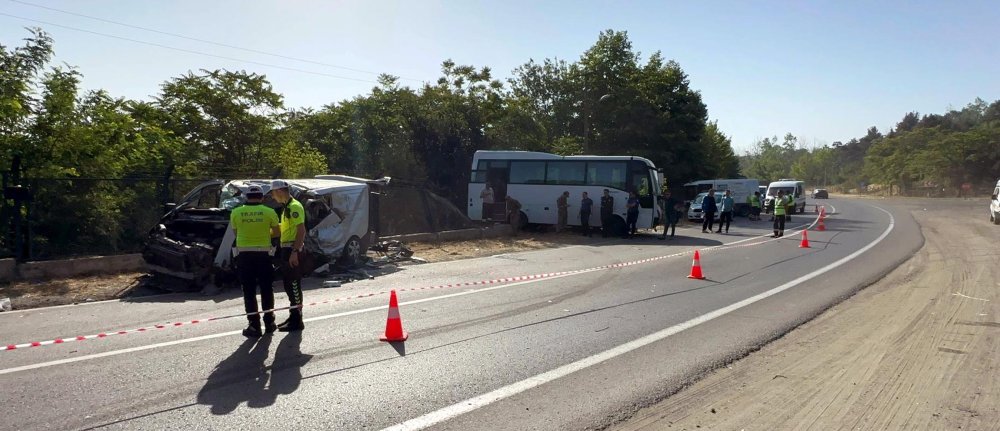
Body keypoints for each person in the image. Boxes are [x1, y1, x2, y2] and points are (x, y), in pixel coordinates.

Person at [229, 186, 280, 338]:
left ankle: (254, 326)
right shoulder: (269, 212)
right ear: (262, 197)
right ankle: (269, 323)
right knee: (266, 289)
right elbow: (276, 232)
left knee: (249, 291)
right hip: (264, 255)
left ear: (246, 197)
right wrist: (264, 231)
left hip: (244, 256)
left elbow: (236, 232)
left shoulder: (236, 212)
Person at [271, 180, 307, 332]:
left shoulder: (294, 206)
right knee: (288, 285)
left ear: (279, 191)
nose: (273, 197)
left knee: (293, 285)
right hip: (286, 249)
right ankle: (293, 316)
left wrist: (295, 252)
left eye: (273, 193)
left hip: (293, 249)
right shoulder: (286, 207)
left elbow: (301, 230)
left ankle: (297, 320)